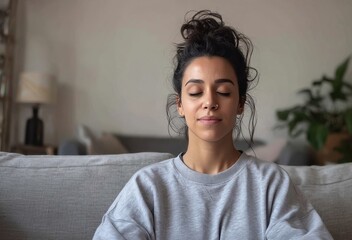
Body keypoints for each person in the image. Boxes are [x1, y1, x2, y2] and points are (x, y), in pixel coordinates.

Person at [93, 10, 333, 240]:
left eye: (223, 91)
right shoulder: (148, 186)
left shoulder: (270, 184)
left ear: (240, 103)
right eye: (196, 92)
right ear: (180, 105)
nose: (209, 102)